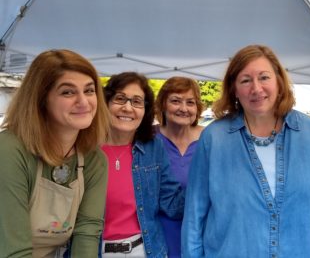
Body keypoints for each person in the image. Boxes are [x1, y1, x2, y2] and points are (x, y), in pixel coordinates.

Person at [182, 44, 310, 257]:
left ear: (279, 82)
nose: (256, 88)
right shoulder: (214, 139)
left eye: (264, 77)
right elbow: (194, 220)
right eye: (245, 80)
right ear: (234, 88)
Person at [0, 49, 110, 257]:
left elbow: (86, 232)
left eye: (89, 90)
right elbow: (13, 250)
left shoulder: (94, 160)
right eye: (68, 92)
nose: (84, 102)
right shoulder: (9, 151)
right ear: (41, 100)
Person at [101, 72, 185, 258]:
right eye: (120, 98)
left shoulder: (154, 147)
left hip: (145, 250)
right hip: (94, 251)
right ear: (106, 103)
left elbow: (171, 203)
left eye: (137, 101)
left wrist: (206, 180)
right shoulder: (86, 147)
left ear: (145, 110)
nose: (128, 108)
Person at [154, 76, 204, 258]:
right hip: (159, 236)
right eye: (176, 101)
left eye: (190, 102)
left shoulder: (210, 139)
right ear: (163, 105)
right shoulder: (147, 140)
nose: (184, 108)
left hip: (201, 233)